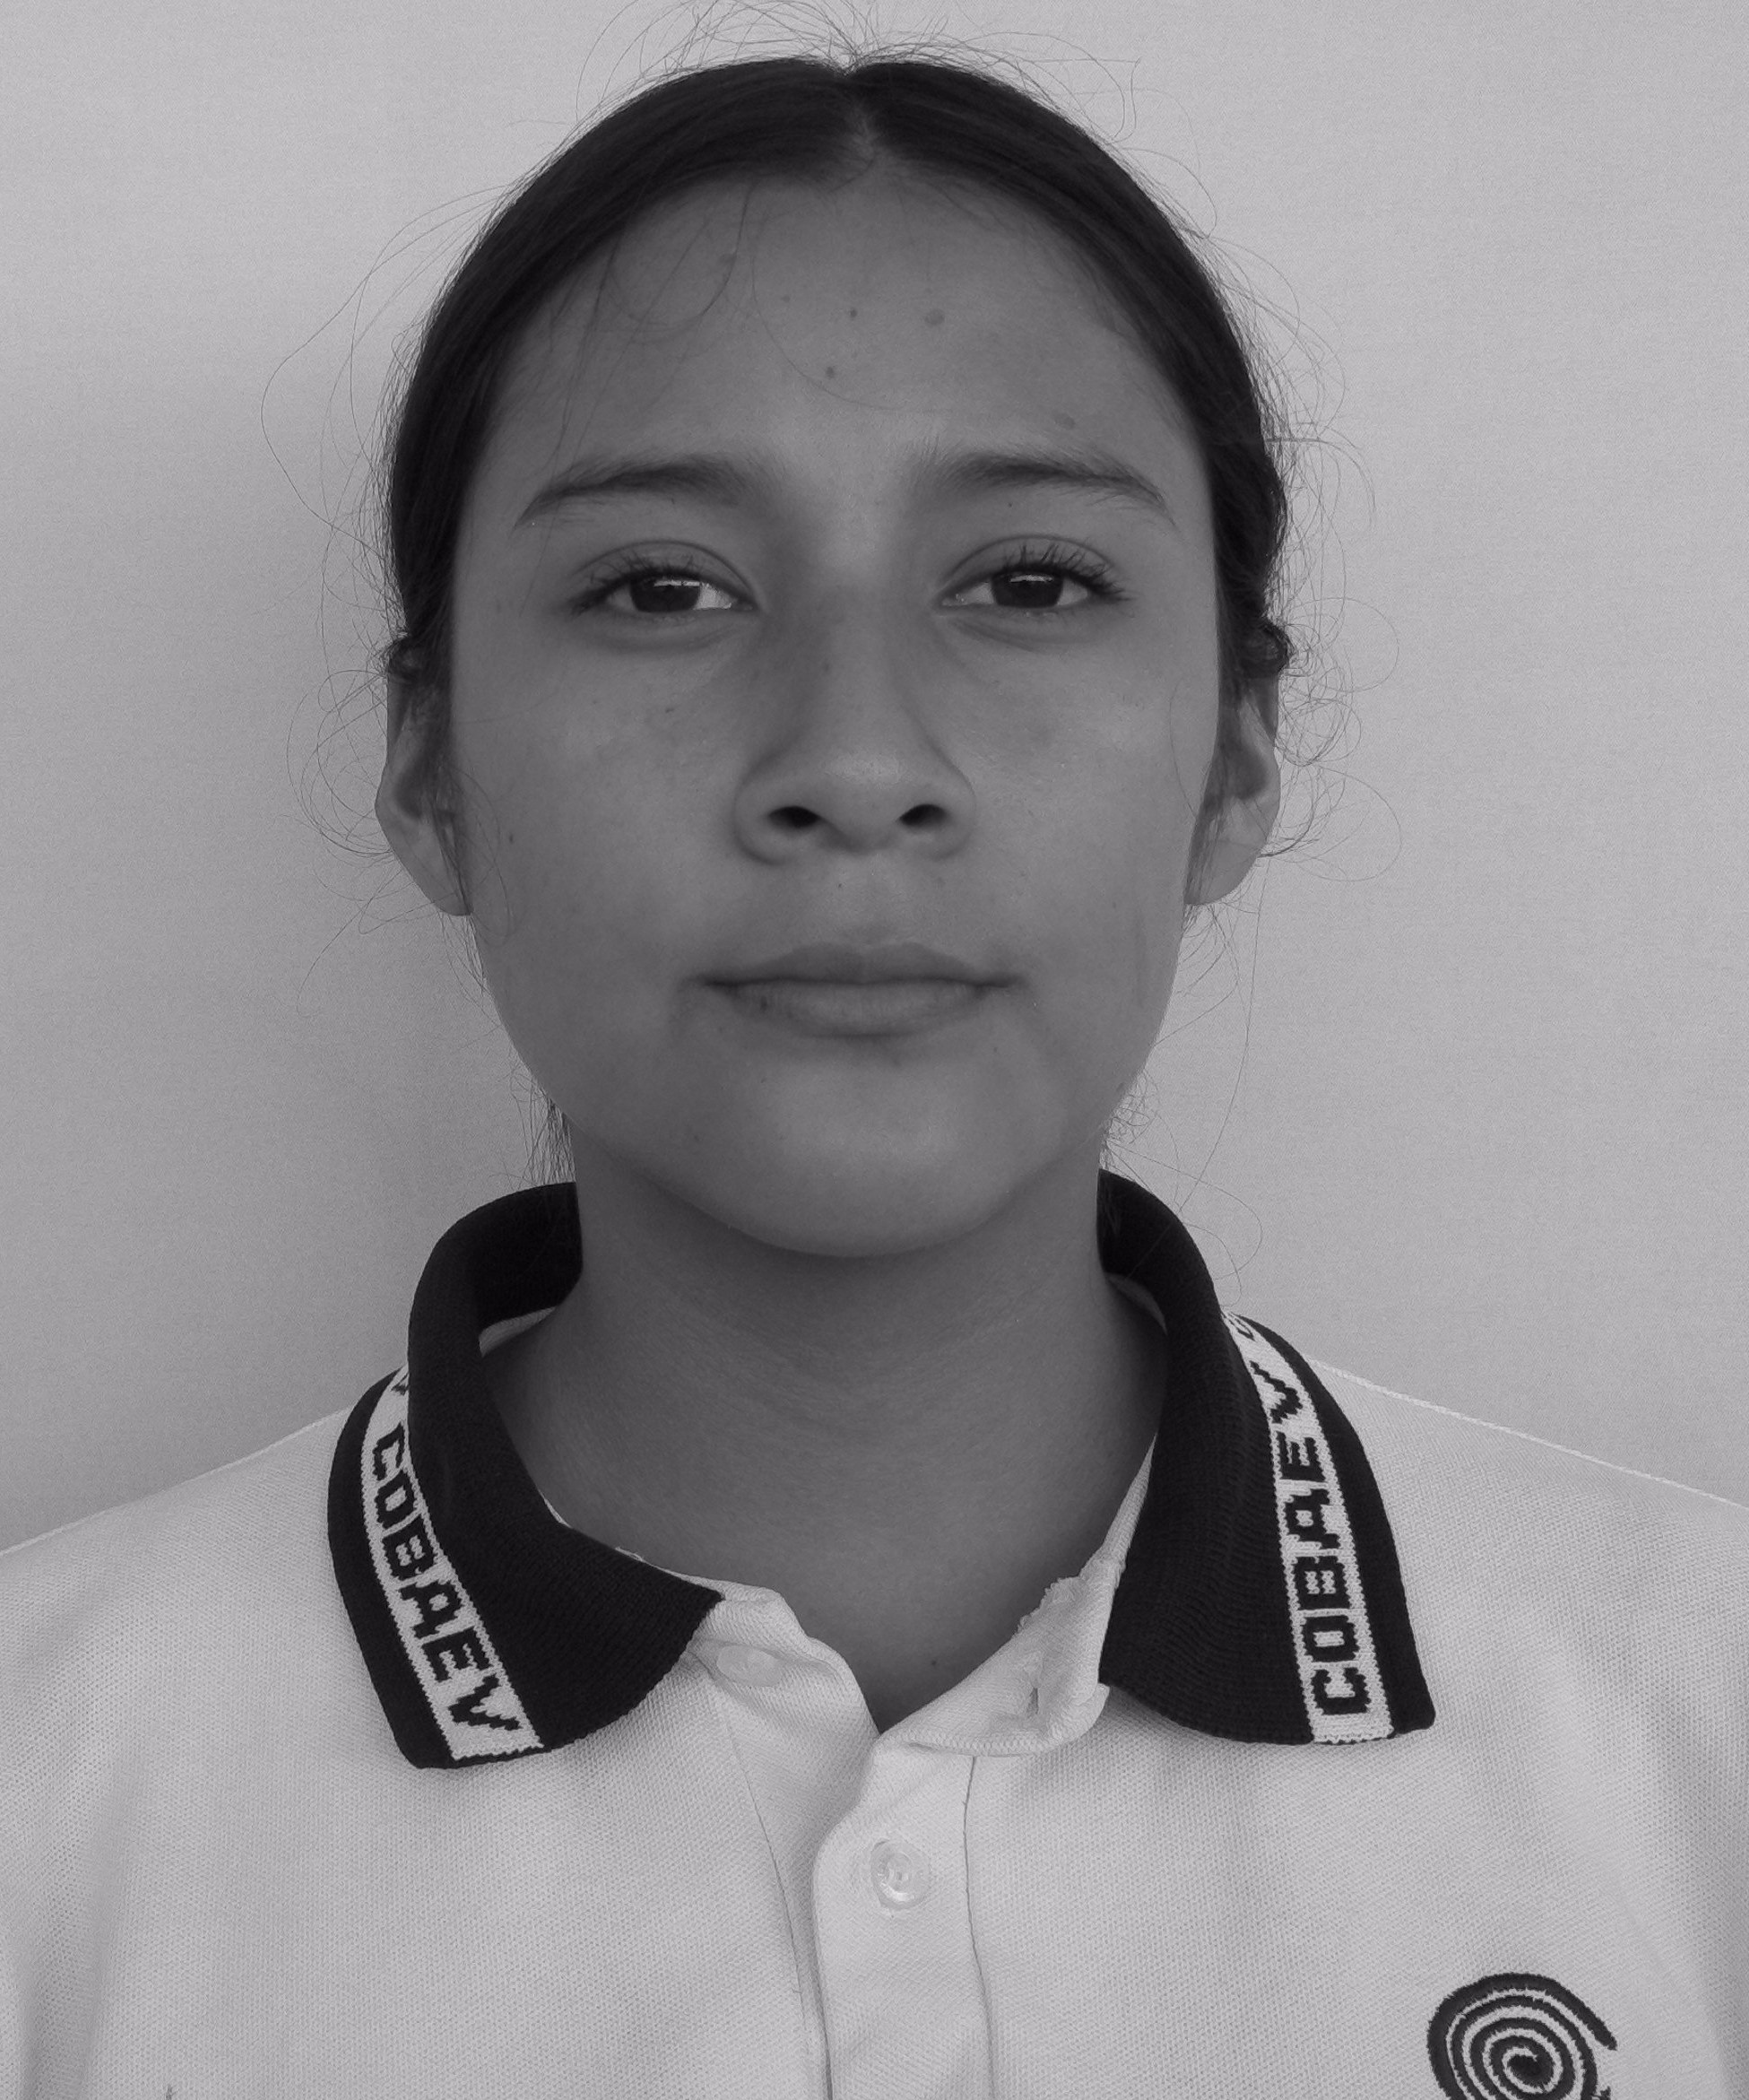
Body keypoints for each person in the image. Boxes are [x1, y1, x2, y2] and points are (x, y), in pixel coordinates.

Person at [3, 40, 1745, 2100]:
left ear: (1233, 757)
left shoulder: (1690, 1712)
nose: (851, 759)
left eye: (1029, 583)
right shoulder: (53, 1791)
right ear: (431, 769)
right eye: (661, 587)